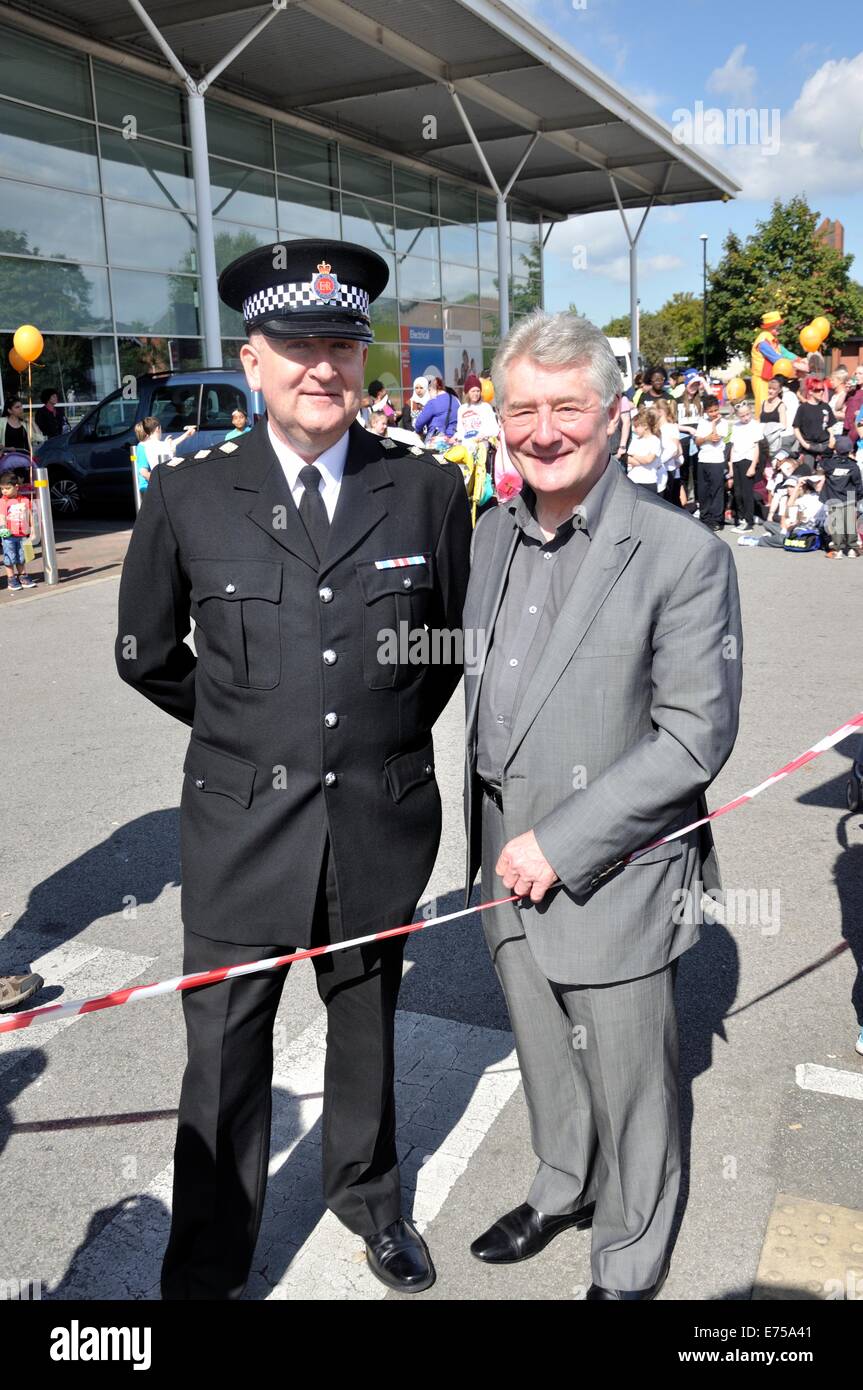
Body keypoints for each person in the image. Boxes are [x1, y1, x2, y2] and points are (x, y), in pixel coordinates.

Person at [115, 237, 471, 1300]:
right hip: (239, 828)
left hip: (374, 818)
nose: (321, 365)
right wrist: (248, 729)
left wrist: (373, 733)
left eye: (339, 344)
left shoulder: (423, 490)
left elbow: (440, 646)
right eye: (294, 344)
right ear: (252, 362)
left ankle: (370, 1202)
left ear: (360, 363)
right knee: (223, 1055)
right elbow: (145, 653)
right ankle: (210, 1255)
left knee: (364, 1026)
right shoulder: (188, 493)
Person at [462, 310, 742, 1300]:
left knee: (631, 1086)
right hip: (501, 858)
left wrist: (563, 838)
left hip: (610, 872)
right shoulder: (489, 536)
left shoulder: (680, 553)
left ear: (613, 418)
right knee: (542, 1050)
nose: (542, 429)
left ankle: (628, 1251)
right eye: (521, 409)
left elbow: (691, 737)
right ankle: (559, 1182)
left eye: (565, 408)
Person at [816, 438, 861, 558]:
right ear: (850, 450)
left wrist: (830, 448)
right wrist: (859, 496)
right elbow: (858, 484)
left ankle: (837, 549)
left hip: (834, 495)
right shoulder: (853, 466)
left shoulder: (829, 464)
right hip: (850, 495)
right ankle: (853, 548)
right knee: (850, 523)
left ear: (836, 450)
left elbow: (823, 458)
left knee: (836, 524)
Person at [728, 399, 765, 532]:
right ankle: (741, 517)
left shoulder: (755, 425)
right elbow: (733, 447)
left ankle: (748, 521)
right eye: (742, 415)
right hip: (737, 460)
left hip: (747, 460)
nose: (745, 418)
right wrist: (731, 466)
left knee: (746, 493)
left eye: (747, 414)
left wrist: (753, 465)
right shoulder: (736, 426)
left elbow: (756, 448)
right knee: (737, 493)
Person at [133, 417, 196, 492]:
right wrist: (159, 482)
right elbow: (143, 472)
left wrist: (186, 434)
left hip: (152, 485)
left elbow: (171, 444)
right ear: (157, 429)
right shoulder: (143, 446)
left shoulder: (148, 445)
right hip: (149, 487)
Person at [695, 396, 728, 530]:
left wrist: (714, 424)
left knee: (716, 490)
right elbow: (697, 441)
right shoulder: (702, 422)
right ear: (706, 411)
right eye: (711, 411)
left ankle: (716, 519)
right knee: (703, 490)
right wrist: (705, 438)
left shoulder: (723, 423)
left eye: (716, 410)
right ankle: (705, 517)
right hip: (703, 459)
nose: (714, 413)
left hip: (716, 460)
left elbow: (715, 438)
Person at [0, 469, 37, 592]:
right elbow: (2, 516)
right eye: (2, 489)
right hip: (8, 535)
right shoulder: (3, 501)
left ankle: (23, 576)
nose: (4, 491)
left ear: (16, 487)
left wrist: (33, 529)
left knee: (22, 556)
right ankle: (11, 579)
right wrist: (2, 527)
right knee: (9, 556)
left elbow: (30, 515)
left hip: (22, 534)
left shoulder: (25, 500)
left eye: (7, 488)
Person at [794, 377, 835, 464]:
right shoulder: (803, 408)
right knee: (808, 471)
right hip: (809, 446)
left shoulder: (825, 406)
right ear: (810, 392)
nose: (821, 392)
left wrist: (832, 437)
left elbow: (830, 425)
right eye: (818, 390)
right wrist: (804, 444)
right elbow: (796, 428)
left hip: (825, 444)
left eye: (822, 389)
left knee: (824, 472)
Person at [625, 407, 665, 493]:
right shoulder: (636, 440)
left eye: (636, 426)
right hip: (633, 479)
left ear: (645, 426)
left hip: (648, 481)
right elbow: (628, 459)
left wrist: (635, 456)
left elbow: (649, 460)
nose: (634, 429)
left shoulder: (655, 440)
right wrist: (641, 460)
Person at [414, 375, 458, 443]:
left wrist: (419, 432)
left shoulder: (432, 402)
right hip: (453, 439)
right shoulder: (455, 400)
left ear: (433, 389)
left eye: (429, 390)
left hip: (436, 441)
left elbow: (419, 423)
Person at [456, 374, 498, 443]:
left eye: (478, 391)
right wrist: (456, 437)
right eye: (473, 391)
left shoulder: (485, 407)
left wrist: (484, 435)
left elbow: (494, 429)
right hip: (466, 446)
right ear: (467, 392)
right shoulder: (461, 409)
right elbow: (460, 430)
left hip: (483, 445)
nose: (476, 394)